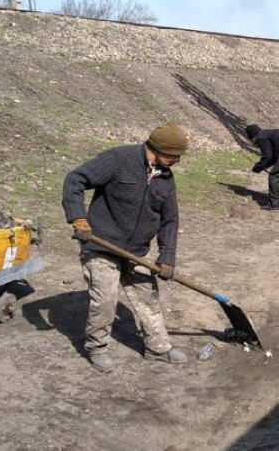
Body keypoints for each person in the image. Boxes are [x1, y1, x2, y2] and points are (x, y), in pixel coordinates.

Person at [62, 122, 189, 372]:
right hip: (101, 245)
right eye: (174, 156)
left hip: (136, 252)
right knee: (106, 300)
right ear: (159, 149)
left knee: (148, 299)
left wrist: (167, 258)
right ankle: (97, 348)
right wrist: (78, 216)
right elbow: (75, 179)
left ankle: (158, 349)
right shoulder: (119, 159)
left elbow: (170, 220)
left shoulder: (165, 178)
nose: (176, 161)